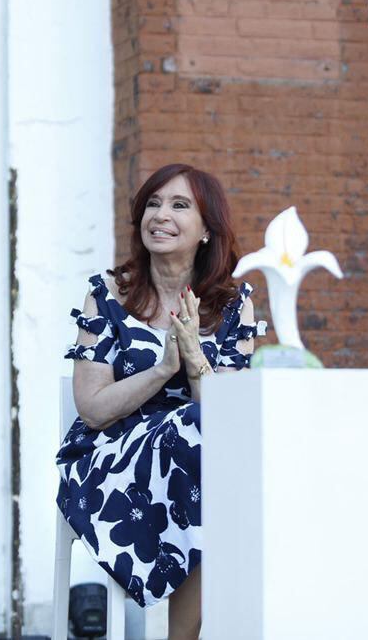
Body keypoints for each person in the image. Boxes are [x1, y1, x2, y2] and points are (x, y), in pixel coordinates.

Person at [56, 163, 260, 640]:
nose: (160, 214)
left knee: (215, 444)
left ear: (208, 229)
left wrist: (192, 359)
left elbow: (225, 414)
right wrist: (163, 367)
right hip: (111, 460)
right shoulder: (106, 295)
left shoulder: (233, 303)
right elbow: (92, 407)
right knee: (215, 459)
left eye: (179, 205)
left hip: (201, 462)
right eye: (153, 203)